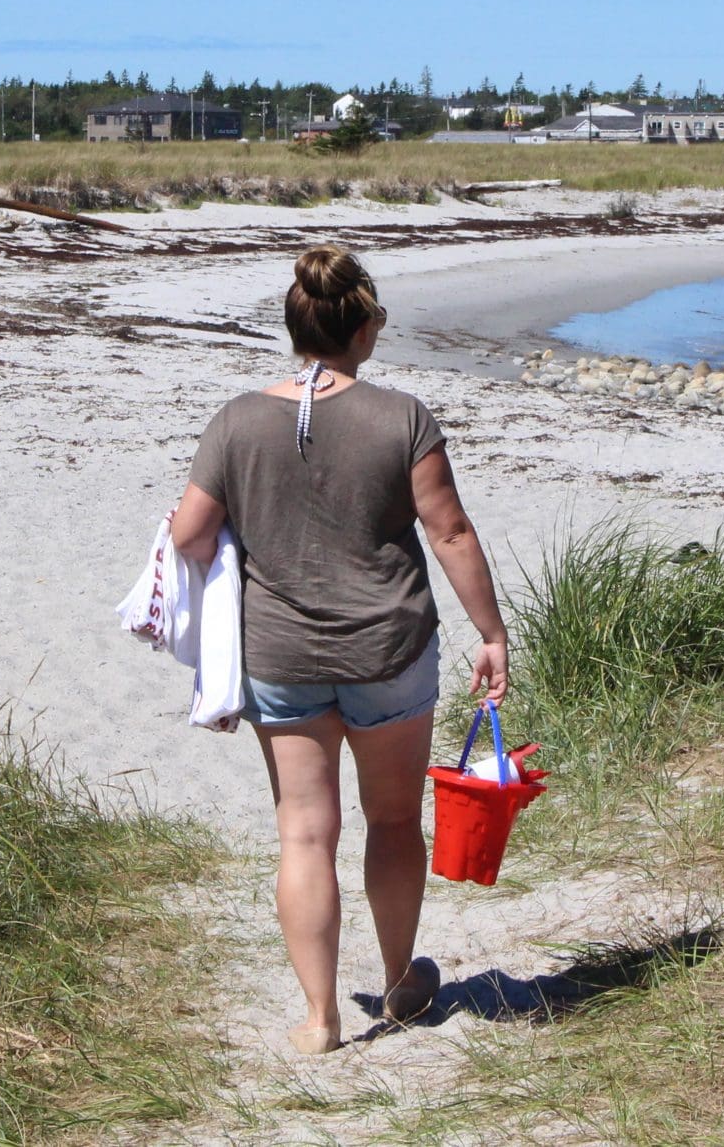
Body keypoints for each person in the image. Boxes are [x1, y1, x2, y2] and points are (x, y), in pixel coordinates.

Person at [169, 244, 511, 1055]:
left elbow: (188, 532)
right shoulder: (403, 417)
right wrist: (492, 633)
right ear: (363, 330)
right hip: (389, 650)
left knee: (304, 832)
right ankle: (399, 986)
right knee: (392, 820)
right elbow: (450, 529)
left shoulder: (238, 420)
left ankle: (321, 1018)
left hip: (282, 655)